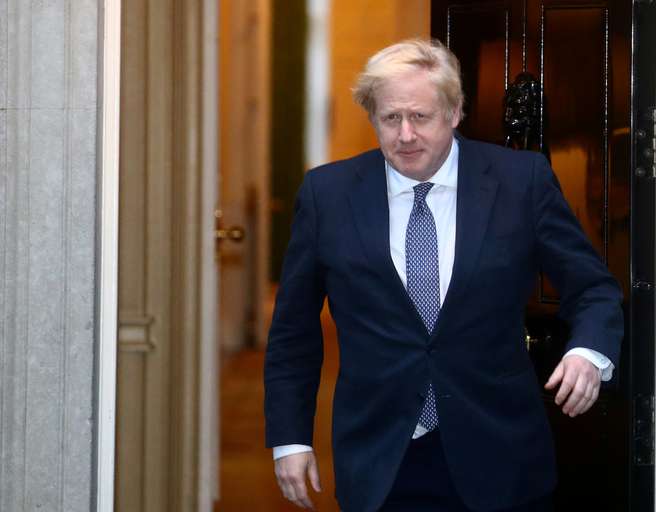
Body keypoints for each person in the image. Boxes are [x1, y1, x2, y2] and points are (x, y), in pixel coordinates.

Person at [264, 39, 623, 512]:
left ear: (454, 112)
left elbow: (592, 287)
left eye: (421, 117)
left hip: (501, 456)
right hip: (381, 460)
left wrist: (588, 352)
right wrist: (290, 438)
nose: (406, 134)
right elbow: (294, 331)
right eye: (391, 118)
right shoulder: (326, 194)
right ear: (372, 117)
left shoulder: (521, 182)